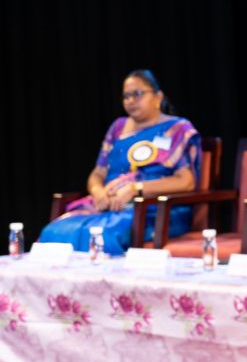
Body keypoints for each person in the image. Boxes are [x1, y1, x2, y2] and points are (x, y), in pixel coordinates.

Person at [39, 69, 200, 255]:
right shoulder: (118, 127)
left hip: (155, 210)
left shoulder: (178, 129)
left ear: (158, 97)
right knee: (54, 231)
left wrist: (134, 189)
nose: (130, 100)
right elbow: (98, 173)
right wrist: (98, 192)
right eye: (126, 96)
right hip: (109, 208)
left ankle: (105, 275)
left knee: (103, 235)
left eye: (137, 94)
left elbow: (186, 181)